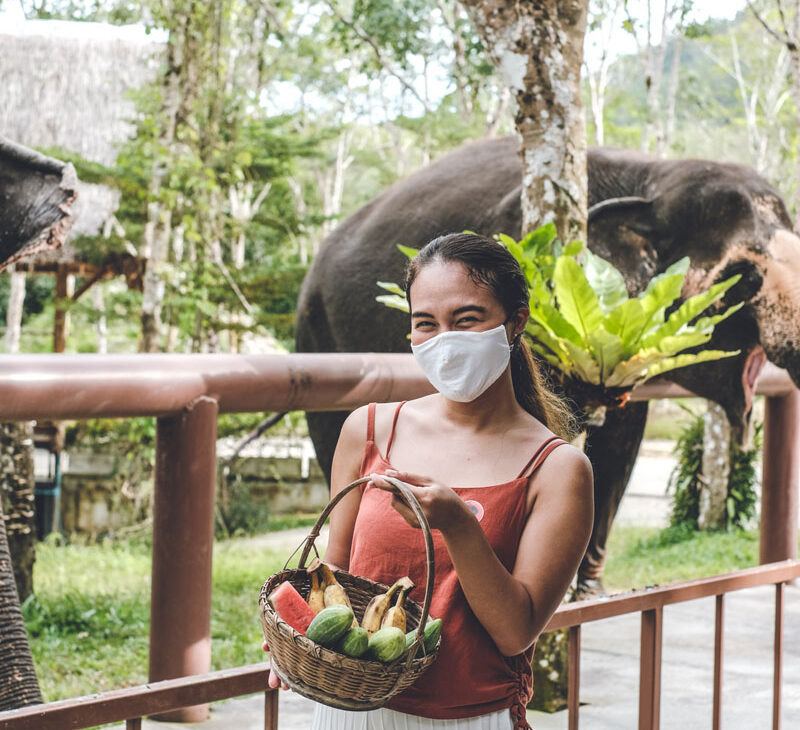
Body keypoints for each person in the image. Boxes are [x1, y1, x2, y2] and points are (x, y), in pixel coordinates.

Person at [267, 232, 594, 730]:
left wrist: (460, 527)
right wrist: (295, 637)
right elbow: (329, 578)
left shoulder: (558, 468)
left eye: (466, 320)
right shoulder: (369, 429)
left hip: (469, 718)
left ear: (515, 322)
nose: (445, 340)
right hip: (352, 713)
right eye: (426, 324)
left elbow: (515, 632)